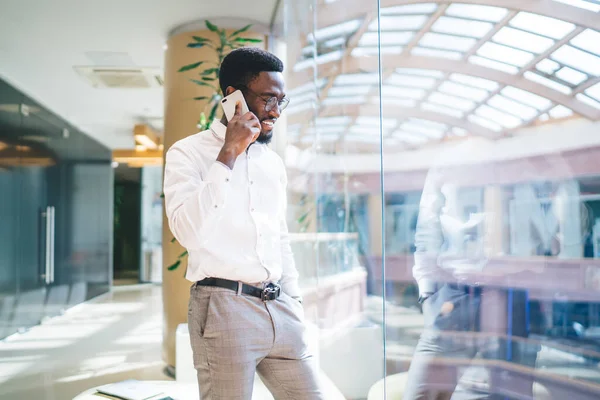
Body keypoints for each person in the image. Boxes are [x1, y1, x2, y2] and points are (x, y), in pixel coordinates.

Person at [163, 47, 324, 400]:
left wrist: (294, 304)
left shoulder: (273, 163)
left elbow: (279, 237)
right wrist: (229, 153)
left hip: (279, 307)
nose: (276, 112)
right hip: (224, 308)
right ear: (232, 96)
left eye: (282, 101)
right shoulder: (186, 153)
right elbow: (189, 232)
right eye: (268, 99)